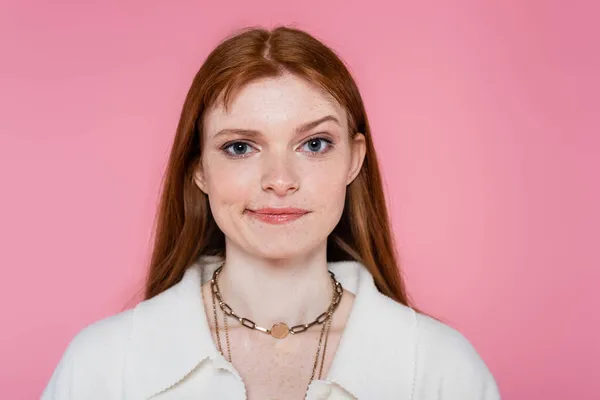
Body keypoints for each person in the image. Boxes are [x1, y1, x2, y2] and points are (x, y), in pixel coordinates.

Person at [42, 26, 500, 399]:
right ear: (200, 169)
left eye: (314, 144)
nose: (280, 179)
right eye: (240, 147)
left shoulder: (443, 371)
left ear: (354, 160)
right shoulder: (100, 367)